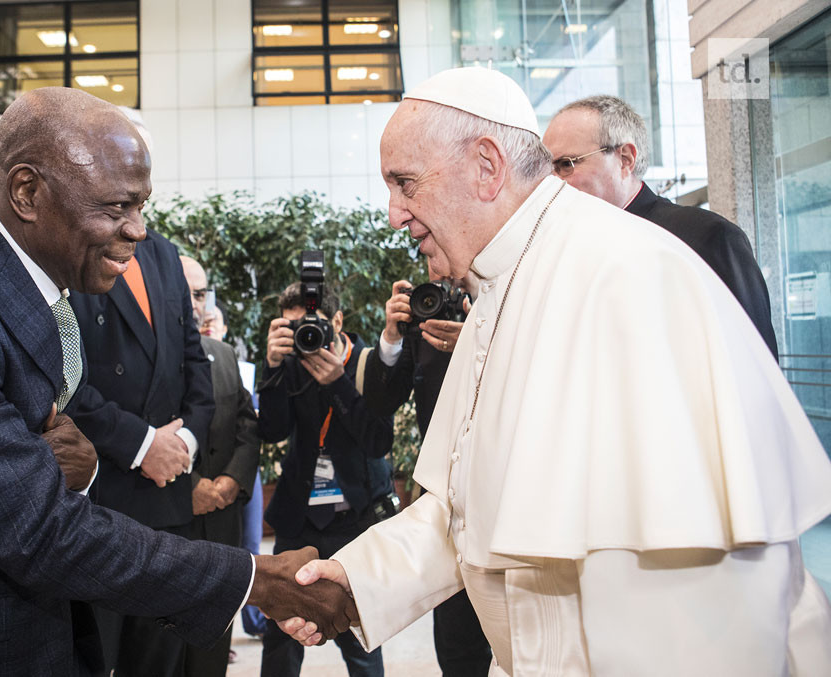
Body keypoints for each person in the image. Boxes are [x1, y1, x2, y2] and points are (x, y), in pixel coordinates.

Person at [279, 67, 831, 675]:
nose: (394, 215)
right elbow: (469, 505)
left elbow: (696, 602)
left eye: (405, 184)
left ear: (487, 167)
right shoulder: (501, 284)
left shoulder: (627, 275)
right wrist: (355, 580)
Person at [0, 87, 355, 675]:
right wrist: (253, 577)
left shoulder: (25, 294)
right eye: (117, 207)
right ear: (28, 192)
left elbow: (37, 476)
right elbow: (38, 531)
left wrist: (79, 469)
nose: (139, 230)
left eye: (142, 205)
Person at [66, 194, 215, 675]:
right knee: (92, 656)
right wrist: (143, 445)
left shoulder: (164, 252)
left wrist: (182, 445)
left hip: (167, 499)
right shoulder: (68, 248)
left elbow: (193, 357)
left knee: (159, 661)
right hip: (98, 503)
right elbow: (65, 382)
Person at [542, 94, 778, 357]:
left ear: (625, 159)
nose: (552, 181)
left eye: (565, 165)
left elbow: (755, 364)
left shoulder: (707, 237)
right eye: (546, 170)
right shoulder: (562, 252)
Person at [258, 281, 394, 677]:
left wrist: (338, 383)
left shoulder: (368, 363)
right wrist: (271, 367)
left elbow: (376, 441)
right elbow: (271, 429)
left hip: (356, 517)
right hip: (300, 518)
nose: (306, 337)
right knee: (281, 634)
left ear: (336, 320)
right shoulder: (288, 363)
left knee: (360, 635)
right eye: (293, 327)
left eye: (311, 326)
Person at [362, 275, 492, 676]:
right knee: (456, 644)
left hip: (507, 494)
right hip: (445, 505)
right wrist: (391, 336)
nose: (437, 275)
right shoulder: (428, 312)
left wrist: (480, 340)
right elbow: (382, 400)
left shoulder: (506, 295)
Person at [179, 255, 261, 676]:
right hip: (166, 533)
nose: (198, 304)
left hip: (222, 533)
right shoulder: (138, 363)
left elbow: (248, 426)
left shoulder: (224, 355)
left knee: (211, 657)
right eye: (188, 293)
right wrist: (187, 487)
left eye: (201, 294)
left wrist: (230, 480)